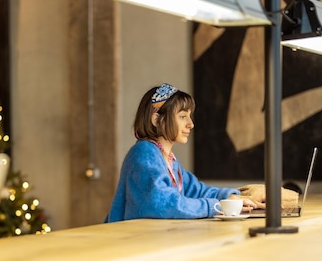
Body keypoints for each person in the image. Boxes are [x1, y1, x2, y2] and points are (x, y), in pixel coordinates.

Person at [105, 83, 260, 223]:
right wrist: (216, 206)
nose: (190, 124)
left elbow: (196, 191)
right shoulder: (144, 152)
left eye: (189, 116)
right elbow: (162, 203)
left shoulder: (168, 159)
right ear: (156, 119)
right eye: (182, 116)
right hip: (133, 243)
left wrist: (232, 197)